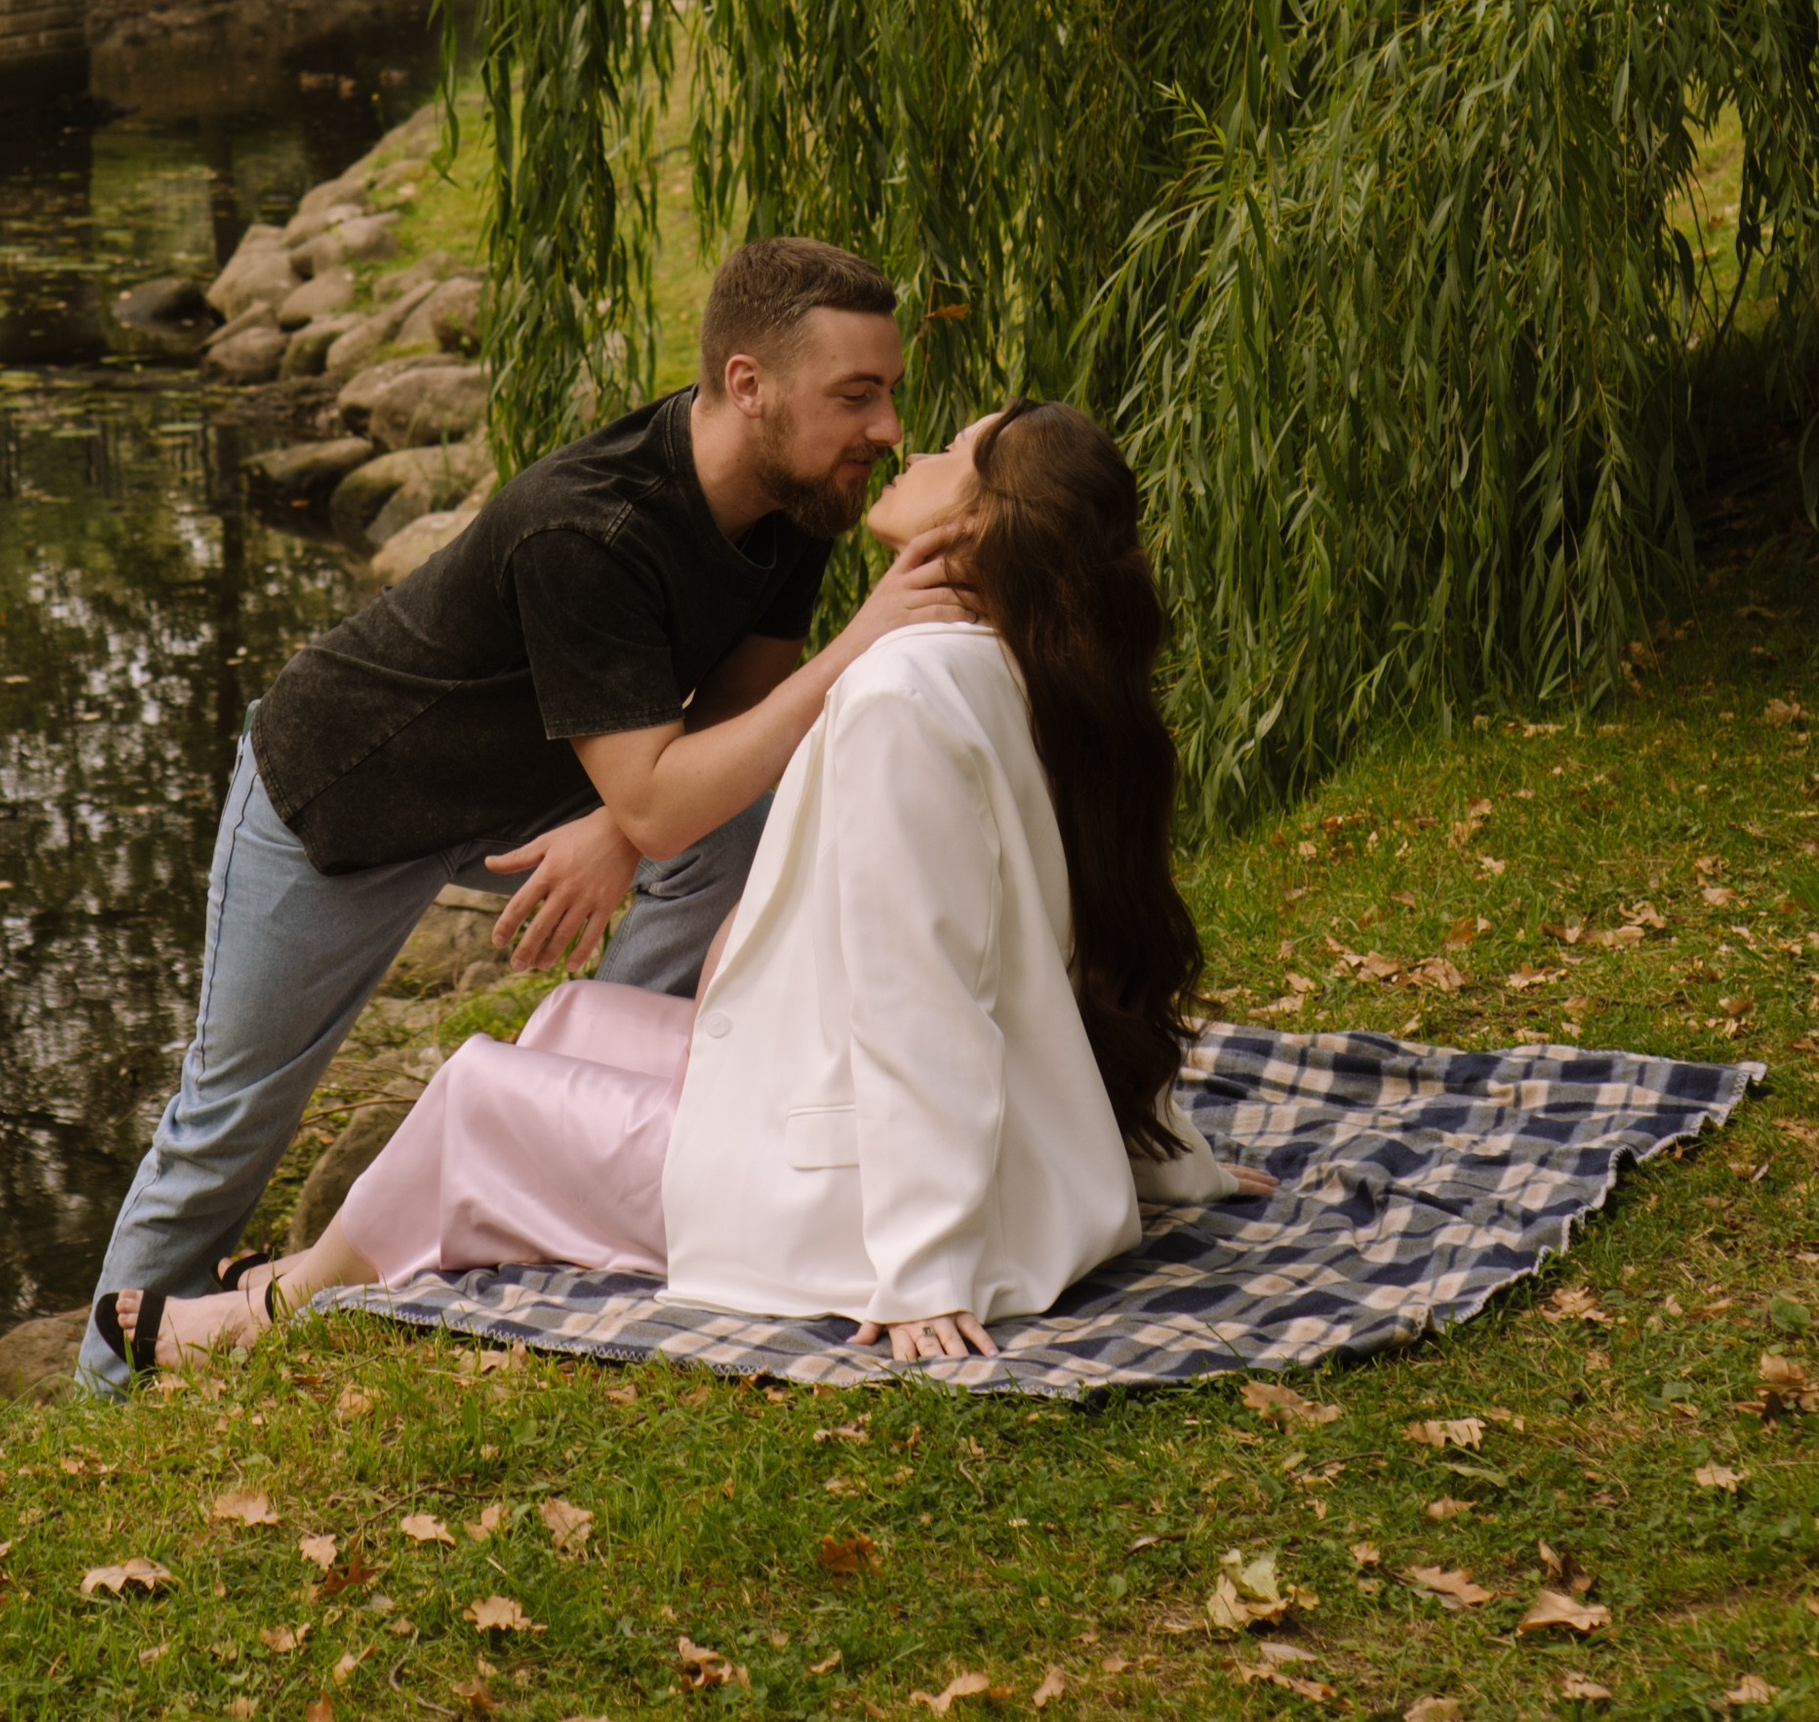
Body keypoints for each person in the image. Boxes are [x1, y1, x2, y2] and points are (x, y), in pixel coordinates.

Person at [108, 397, 1264, 1375]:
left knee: (475, 1094)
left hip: (850, 1195)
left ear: (980, 519)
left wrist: (922, 1269)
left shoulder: (904, 697)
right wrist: (1165, 1161)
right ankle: (299, 1272)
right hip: (903, 1118)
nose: (904, 446)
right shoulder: (1032, 661)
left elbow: (925, 994)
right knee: (570, 1018)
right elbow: (1091, 948)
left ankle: (268, 1311)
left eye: (946, 454)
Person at [78, 235, 970, 1392]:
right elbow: (680, 774)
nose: (888, 429)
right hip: (341, 802)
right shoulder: (588, 528)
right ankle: (103, 1396)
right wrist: (843, 658)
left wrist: (626, 817)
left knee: (730, 824)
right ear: (748, 386)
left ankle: (586, 1147)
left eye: (888, 394)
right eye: (858, 395)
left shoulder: (793, 499)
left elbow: (741, 718)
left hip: (543, 781)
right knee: (227, 1126)